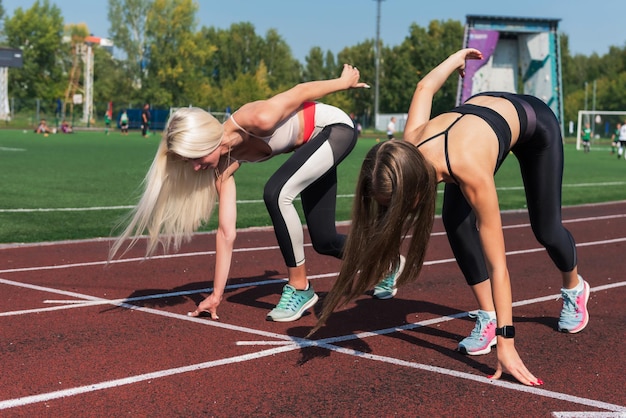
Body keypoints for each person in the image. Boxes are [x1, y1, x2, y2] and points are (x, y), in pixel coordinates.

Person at [314, 48, 590, 387]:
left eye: (396, 207)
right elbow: (424, 88)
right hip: (482, 114)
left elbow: (498, 265)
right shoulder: (408, 144)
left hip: (535, 125)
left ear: (416, 191)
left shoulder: (470, 170)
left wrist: (507, 343)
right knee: (456, 223)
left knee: (546, 230)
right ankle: (486, 315)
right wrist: (454, 60)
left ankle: (574, 288)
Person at [109, 64, 384, 322]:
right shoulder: (222, 169)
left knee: (276, 193)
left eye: (195, 157)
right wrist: (216, 295)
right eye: (187, 161)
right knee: (324, 241)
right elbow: (226, 233)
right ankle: (386, 260)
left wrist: (342, 82)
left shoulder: (255, 118)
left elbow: (300, 92)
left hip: (334, 129)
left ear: (207, 139)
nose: (194, 168)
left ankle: (300, 287)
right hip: (311, 147)